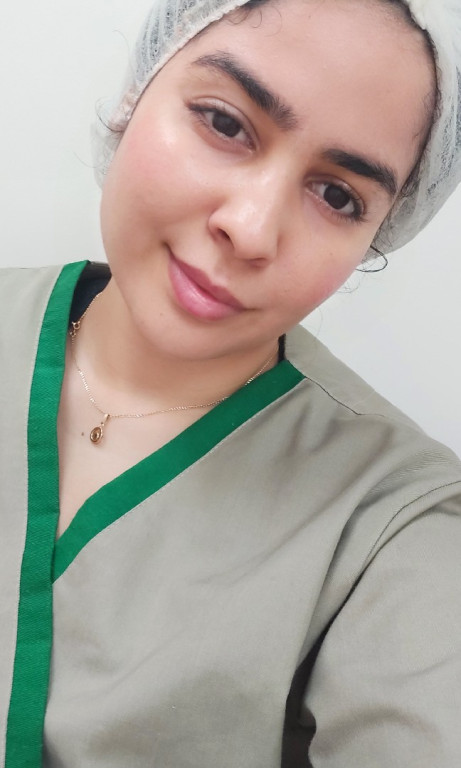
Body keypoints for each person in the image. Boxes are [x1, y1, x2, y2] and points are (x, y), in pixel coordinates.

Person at [1, 0, 461, 765]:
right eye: (224, 123)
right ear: (134, 94)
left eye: (337, 196)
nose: (250, 228)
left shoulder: (397, 521)